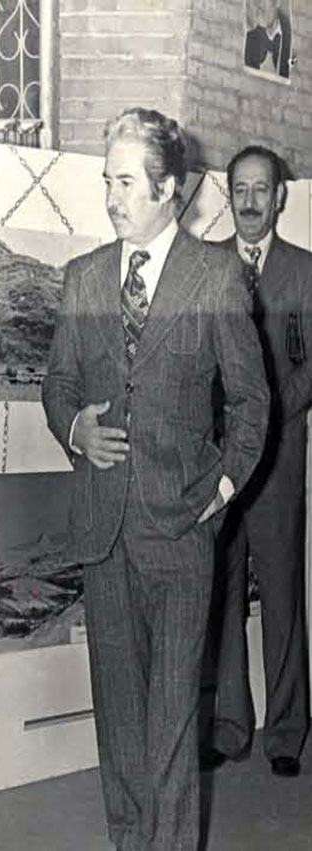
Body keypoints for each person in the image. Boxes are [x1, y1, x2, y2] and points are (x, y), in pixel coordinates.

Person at [42, 108, 269, 851]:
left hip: (181, 533)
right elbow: (58, 384)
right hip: (104, 533)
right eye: (106, 180)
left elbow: (252, 401)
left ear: (167, 187)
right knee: (120, 718)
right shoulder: (83, 277)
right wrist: (73, 428)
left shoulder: (216, 275)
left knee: (172, 721)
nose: (110, 197)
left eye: (125, 182)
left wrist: (224, 488)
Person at [204, 145, 311, 778]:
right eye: (240, 190)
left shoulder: (304, 272)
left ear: (279, 198)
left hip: (280, 459)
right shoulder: (205, 266)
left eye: (260, 190)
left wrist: (266, 416)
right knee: (220, 590)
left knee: (281, 592)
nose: (249, 201)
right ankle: (229, 727)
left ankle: (287, 733)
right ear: (229, 195)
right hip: (218, 459)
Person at [245, 0, 292, 79]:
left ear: (277, 3)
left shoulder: (292, 35)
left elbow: (297, 62)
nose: (259, 5)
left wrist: (290, 66)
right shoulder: (250, 40)